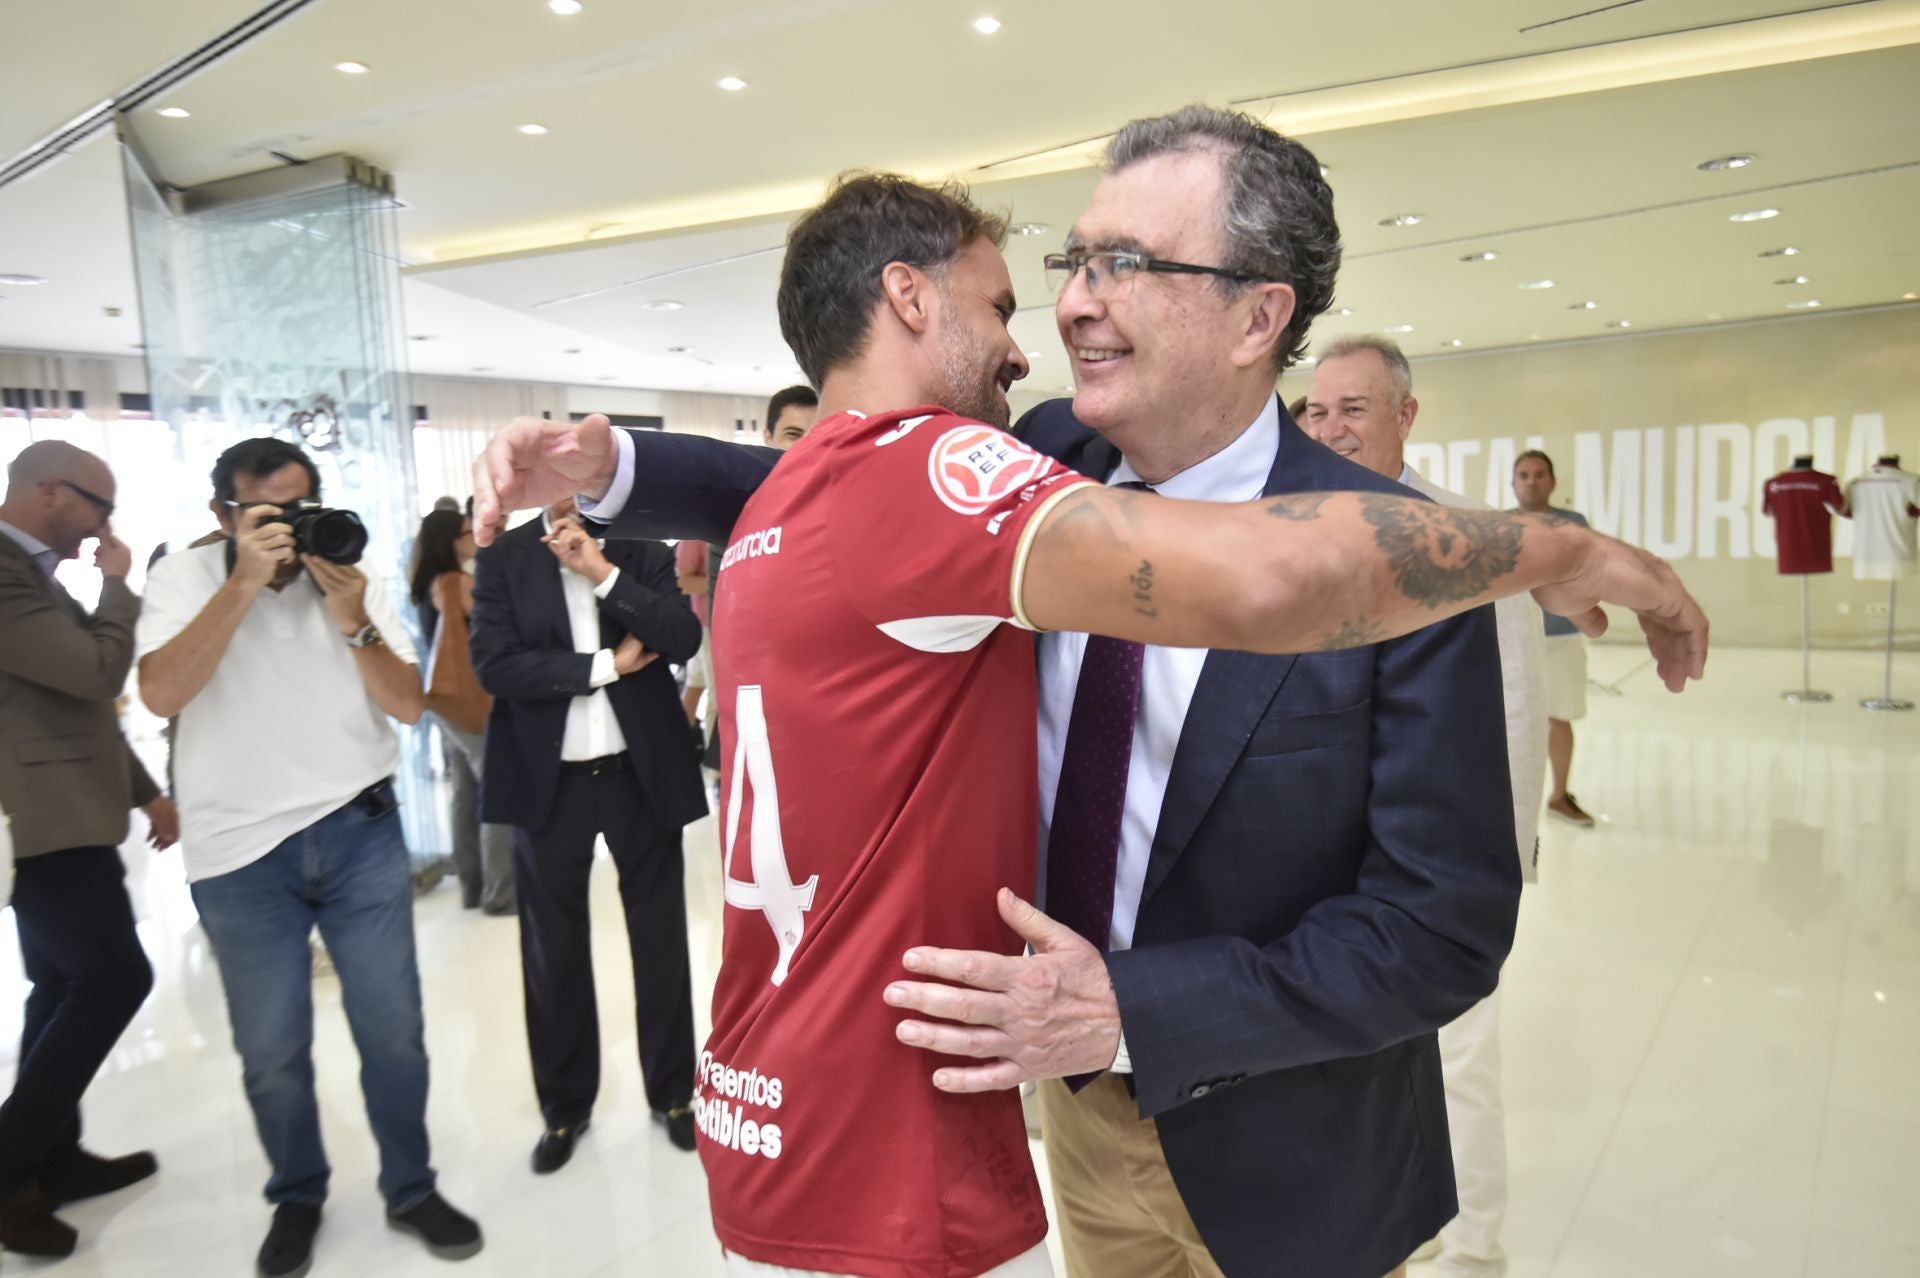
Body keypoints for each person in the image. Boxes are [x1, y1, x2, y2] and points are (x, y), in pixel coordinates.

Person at [471, 158, 1705, 1277]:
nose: (1065, 308)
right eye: (1068, 267)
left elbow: (1444, 932)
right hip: (1073, 1121)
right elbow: (845, 475)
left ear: (1258, 315)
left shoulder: (1400, 559)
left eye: (1124, 265)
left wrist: (1136, 1011)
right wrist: (614, 468)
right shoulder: (1045, 452)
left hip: (1292, 1153)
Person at [136, 438, 481, 1276]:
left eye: (299, 508)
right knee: (272, 1049)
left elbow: (408, 707)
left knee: (394, 1033)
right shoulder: (184, 578)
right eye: (266, 516)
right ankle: (297, 1193)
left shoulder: (343, 568)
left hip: (360, 830)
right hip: (239, 854)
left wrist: (354, 619)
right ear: (224, 516)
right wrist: (243, 584)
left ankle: (411, 1186)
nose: (289, 530)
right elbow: (160, 693)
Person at [1307, 334, 1549, 1277]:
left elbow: (1517, 705)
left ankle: (1473, 1250)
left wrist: (1506, 857)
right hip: (1333, 859)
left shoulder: (1467, 537)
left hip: (1440, 862)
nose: (1333, 428)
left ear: (1406, 416)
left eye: (1355, 409)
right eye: (1318, 411)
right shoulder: (1290, 522)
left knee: (1459, 1057)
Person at [468, 498, 706, 1174]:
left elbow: (681, 640)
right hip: (549, 780)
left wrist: (600, 571)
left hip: (640, 772)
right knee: (553, 950)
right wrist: (608, 665)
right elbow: (494, 665)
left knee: (660, 939)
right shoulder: (505, 556)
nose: (569, 492)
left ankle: (673, 1096)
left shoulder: (638, 547)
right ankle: (565, 1108)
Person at [0, 441, 176, 1259]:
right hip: (42, 823)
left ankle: (52, 1160)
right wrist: (117, 583)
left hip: (67, 812)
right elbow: (97, 673)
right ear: (47, 493)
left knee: (60, 984)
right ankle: (8, 1172)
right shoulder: (3, 572)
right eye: (98, 507)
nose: (105, 525)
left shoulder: (31, 575)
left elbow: (70, 708)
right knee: (114, 979)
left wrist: (143, 789)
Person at [409, 508, 515, 914]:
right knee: (497, 791)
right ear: (452, 540)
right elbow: (501, 620)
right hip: (471, 699)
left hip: (444, 700)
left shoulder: (427, 582)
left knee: (465, 795)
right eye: (469, 531)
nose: (476, 535)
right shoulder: (456, 582)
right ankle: (501, 893)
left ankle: (473, 887)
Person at [1512, 450, 1595, 827]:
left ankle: (1559, 795)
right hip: (1514, 639)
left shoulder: (1573, 524)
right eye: (1524, 474)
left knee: (1558, 717)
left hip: (1561, 637)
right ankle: (1507, 802)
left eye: (1540, 474)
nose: (1532, 481)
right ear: (1513, 482)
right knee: (1511, 722)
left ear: (1553, 481)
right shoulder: (1499, 526)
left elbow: (1587, 574)